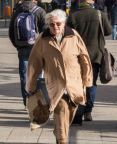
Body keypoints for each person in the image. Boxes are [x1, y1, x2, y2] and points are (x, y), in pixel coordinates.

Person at [26, 9, 93, 144]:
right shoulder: (43, 39)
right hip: (56, 86)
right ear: (47, 25)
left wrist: (87, 81)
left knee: (67, 117)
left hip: (74, 85)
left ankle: (59, 136)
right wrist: (31, 87)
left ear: (64, 23)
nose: (55, 27)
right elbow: (34, 64)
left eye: (58, 24)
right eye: (52, 24)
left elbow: (85, 59)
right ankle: (61, 140)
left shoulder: (73, 36)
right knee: (61, 109)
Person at [67, 0, 110, 122]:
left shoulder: (73, 16)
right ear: (92, 2)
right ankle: (88, 111)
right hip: (95, 55)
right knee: (91, 82)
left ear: (79, 2)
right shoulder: (100, 14)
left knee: (78, 82)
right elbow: (108, 31)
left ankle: (78, 110)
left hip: (77, 55)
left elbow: (67, 36)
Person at [10, 0, 47, 106]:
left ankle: (27, 102)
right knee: (38, 75)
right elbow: (45, 31)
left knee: (24, 76)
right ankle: (37, 102)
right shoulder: (40, 11)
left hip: (22, 48)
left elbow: (11, 32)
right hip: (37, 48)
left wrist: (17, 45)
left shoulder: (17, 12)